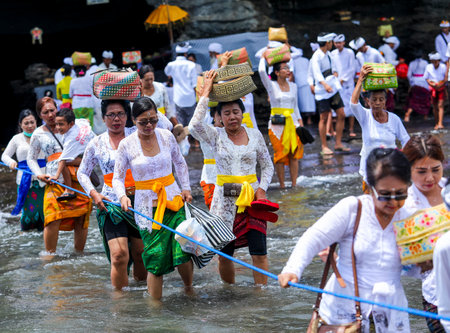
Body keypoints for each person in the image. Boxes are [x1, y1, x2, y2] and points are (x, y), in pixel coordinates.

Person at [279, 148, 413, 332]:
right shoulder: (353, 209)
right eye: (384, 194)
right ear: (369, 187)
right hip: (343, 312)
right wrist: (292, 269)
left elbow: (418, 264)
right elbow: (314, 237)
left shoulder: (411, 215)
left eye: (400, 194)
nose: (393, 201)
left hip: (390, 311)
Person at [189, 70, 274, 285]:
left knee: (259, 251)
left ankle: (261, 296)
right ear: (219, 118)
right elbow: (193, 126)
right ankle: (229, 292)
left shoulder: (254, 135)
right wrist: (206, 92)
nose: (232, 117)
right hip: (225, 201)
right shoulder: (215, 136)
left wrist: (262, 188)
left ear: (242, 113)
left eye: (235, 112)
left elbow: (267, 165)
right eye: (226, 113)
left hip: (253, 199)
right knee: (225, 253)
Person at [112, 97, 193, 300]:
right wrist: (122, 196)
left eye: (153, 120)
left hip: (174, 201)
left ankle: (189, 289)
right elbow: (117, 177)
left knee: (183, 248)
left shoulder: (166, 136)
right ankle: (155, 308)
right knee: (154, 257)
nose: (149, 125)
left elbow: (180, 164)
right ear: (133, 120)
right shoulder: (126, 144)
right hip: (146, 208)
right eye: (143, 122)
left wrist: (186, 189)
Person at [77, 99, 146, 290]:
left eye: (121, 114)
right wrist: (94, 194)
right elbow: (81, 172)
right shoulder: (96, 143)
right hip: (110, 204)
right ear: (103, 117)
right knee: (119, 255)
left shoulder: (138, 133)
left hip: (139, 201)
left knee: (141, 253)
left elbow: (161, 122)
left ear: (128, 116)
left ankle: (141, 297)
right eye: (111, 115)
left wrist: (139, 97)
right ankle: (121, 303)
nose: (116, 119)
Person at [27, 97, 92, 254]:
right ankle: (49, 257)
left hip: (78, 177)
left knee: (81, 218)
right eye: (45, 112)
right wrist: (38, 174)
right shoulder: (38, 134)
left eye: (52, 110)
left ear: (57, 109)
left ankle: (79, 255)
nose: (50, 114)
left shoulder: (74, 126)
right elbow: (31, 158)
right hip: (53, 180)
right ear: (40, 115)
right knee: (52, 217)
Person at [402, 134, 446, 332]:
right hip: (437, 295)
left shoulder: (448, 189)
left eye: (436, 169)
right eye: (421, 171)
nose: (430, 178)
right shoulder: (402, 206)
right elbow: (401, 262)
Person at [350, 64, 410, 191]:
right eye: (374, 100)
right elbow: (354, 104)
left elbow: (406, 140)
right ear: (368, 101)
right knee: (370, 204)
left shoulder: (394, 119)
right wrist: (361, 79)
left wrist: (403, 159)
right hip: (370, 168)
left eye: (381, 99)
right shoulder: (365, 116)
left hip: (391, 168)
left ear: (385, 101)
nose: (377, 103)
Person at [259, 49, 303, 187]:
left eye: (288, 68)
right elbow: (261, 72)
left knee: (294, 153)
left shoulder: (294, 86)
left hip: (293, 123)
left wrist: (300, 123)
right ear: (277, 72)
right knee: (279, 155)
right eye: (284, 68)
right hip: (277, 125)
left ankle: (294, 184)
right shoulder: (271, 86)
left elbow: (296, 107)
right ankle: (282, 185)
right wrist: (263, 57)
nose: (288, 70)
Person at [1, 110, 46, 231]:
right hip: (24, 179)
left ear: (37, 122)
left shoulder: (43, 135)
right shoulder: (16, 139)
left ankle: (45, 233)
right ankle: (26, 234)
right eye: (26, 123)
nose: (30, 126)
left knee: (44, 210)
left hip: (43, 178)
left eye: (32, 122)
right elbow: (4, 156)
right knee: (28, 212)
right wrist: (11, 162)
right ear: (20, 124)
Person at [310, 32, 349, 155]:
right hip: (323, 90)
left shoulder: (329, 55)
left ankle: (338, 143)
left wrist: (336, 74)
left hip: (333, 88)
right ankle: (324, 146)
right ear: (328, 43)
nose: (332, 44)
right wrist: (325, 85)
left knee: (341, 113)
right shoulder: (316, 56)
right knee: (324, 117)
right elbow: (316, 73)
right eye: (331, 42)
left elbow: (335, 68)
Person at [52, 108, 95, 201]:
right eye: (56, 124)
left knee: (62, 162)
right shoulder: (79, 122)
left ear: (71, 124)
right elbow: (87, 120)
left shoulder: (71, 139)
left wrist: (56, 176)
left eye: (61, 124)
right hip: (91, 150)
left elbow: (62, 160)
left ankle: (69, 190)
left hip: (93, 156)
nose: (58, 127)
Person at [189, 105, 222, 209]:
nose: (224, 118)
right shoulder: (206, 132)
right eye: (220, 114)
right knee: (214, 211)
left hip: (232, 179)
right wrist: (204, 98)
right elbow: (192, 126)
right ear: (213, 115)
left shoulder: (236, 133)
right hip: (210, 178)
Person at [164, 42, 197, 127]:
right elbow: (194, 85)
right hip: (190, 99)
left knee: (182, 125)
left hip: (178, 98)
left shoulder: (171, 65)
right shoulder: (192, 65)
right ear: (185, 54)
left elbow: (167, 72)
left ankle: (185, 140)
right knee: (192, 125)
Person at [331, 34, 357, 137]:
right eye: (336, 43)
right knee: (338, 107)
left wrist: (343, 78)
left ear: (343, 43)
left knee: (351, 106)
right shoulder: (333, 54)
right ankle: (339, 129)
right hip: (337, 84)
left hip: (348, 83)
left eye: (339, 43)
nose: (338, 45)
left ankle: (351, 129)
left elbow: (352, 68)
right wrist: (335, 75)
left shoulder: (350, 52)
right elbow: (333, 68)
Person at [291, 47, 315, 125]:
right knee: (308, 102)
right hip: (307, 81)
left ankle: (303, 119)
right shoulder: (306, 60)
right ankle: (309, 119)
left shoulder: (292, 61)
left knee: (301, 102)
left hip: (299, 82)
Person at [404, 51, 431, 122]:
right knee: (425, 100)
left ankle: (408, 114)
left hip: (414, 83)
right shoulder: (425, 63)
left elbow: (408, 75)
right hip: (424, 83)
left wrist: (411, 83)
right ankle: (425, 116)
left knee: (413, 100)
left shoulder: (412, 63)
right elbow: (428, 73)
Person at [423, 52, 447, 130]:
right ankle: (436, 122)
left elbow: (445, 78)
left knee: (440, 105)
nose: (434, 63)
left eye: (436, 61)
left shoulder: (443, 67)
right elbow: (426, 77)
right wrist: (431, 83)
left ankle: (440, 123)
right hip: (432, 87)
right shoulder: (428, 67)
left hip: (441, 86)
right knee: (434, 106)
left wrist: (441, 84)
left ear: (439, 60)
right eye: (433, 61)